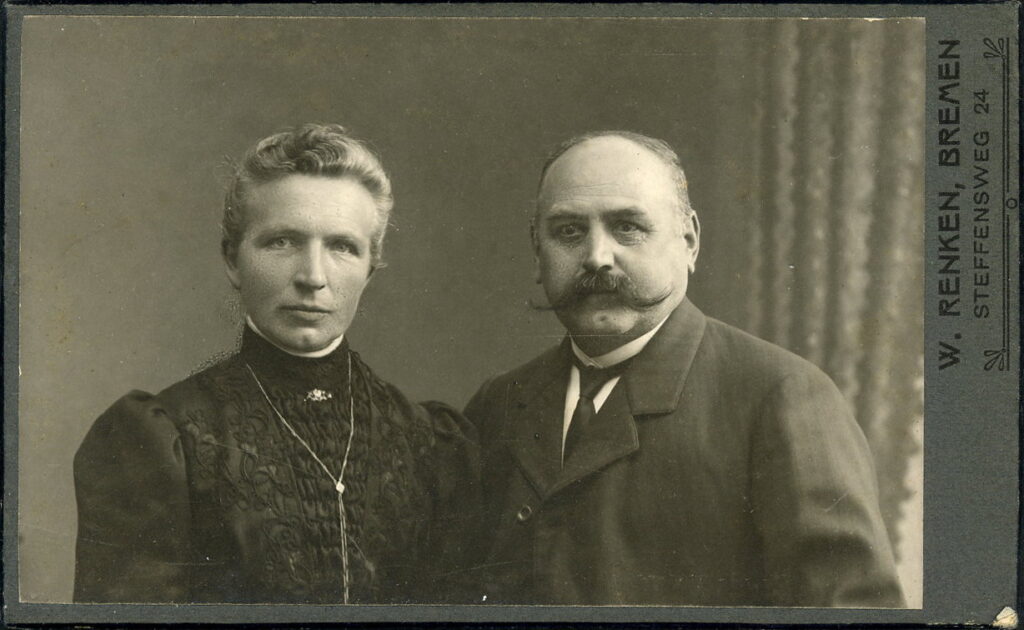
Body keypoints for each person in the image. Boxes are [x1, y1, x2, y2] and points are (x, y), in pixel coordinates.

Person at [464, 130, 905, 607]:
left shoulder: (779, 396)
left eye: (627, 226)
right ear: (537, 251)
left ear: (689, 240)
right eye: (568, 231)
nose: (596, 256)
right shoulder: (500, 404)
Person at [73, 123, 477, 604]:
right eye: (282, 242)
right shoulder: (165, 438)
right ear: (232, 259)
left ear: (370, 267)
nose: (313, 277)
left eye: (342, 246)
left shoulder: (431, 442)